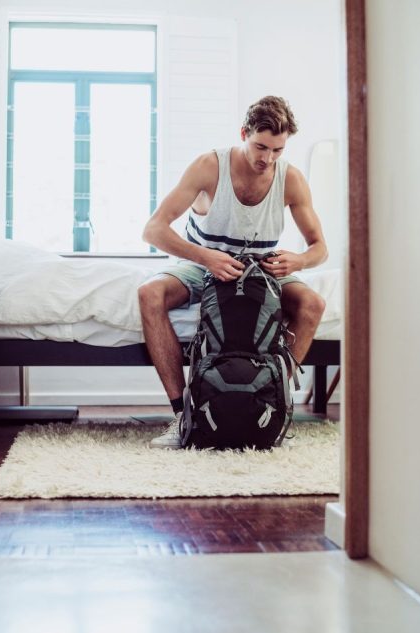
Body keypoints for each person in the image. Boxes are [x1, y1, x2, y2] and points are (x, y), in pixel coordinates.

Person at [138, 95, 328, 449]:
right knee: (149, 293)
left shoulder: (291, 179)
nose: (267, 158)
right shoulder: (209, 167)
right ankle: (184, 415)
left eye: (277, 150)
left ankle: (273, 406)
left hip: (261, 269)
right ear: (243, 132)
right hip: (201, 264)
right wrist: (207, 258)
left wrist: (298, 261)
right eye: (260, 147)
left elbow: (320, 248)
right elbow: (154, 230)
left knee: (313, 304)